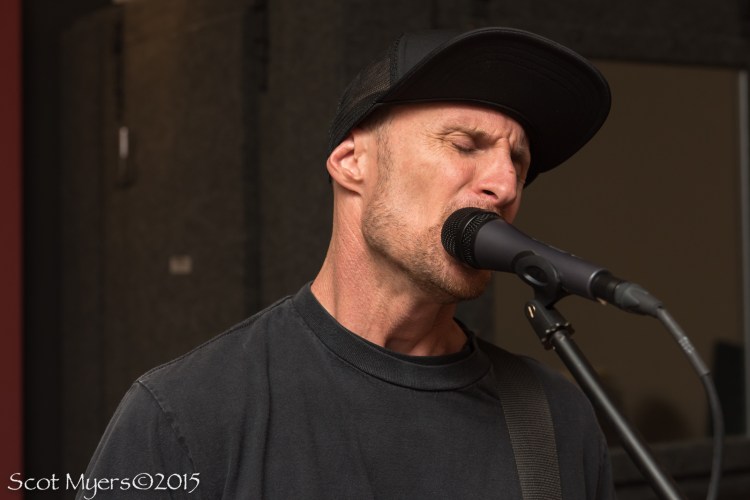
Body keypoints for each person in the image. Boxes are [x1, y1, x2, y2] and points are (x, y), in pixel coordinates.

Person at [79, 27, 614, 499]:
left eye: (518, 160)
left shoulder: (557, 419)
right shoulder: (186, 416)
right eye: (465, 144)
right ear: (352, 162)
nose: (505, 183)